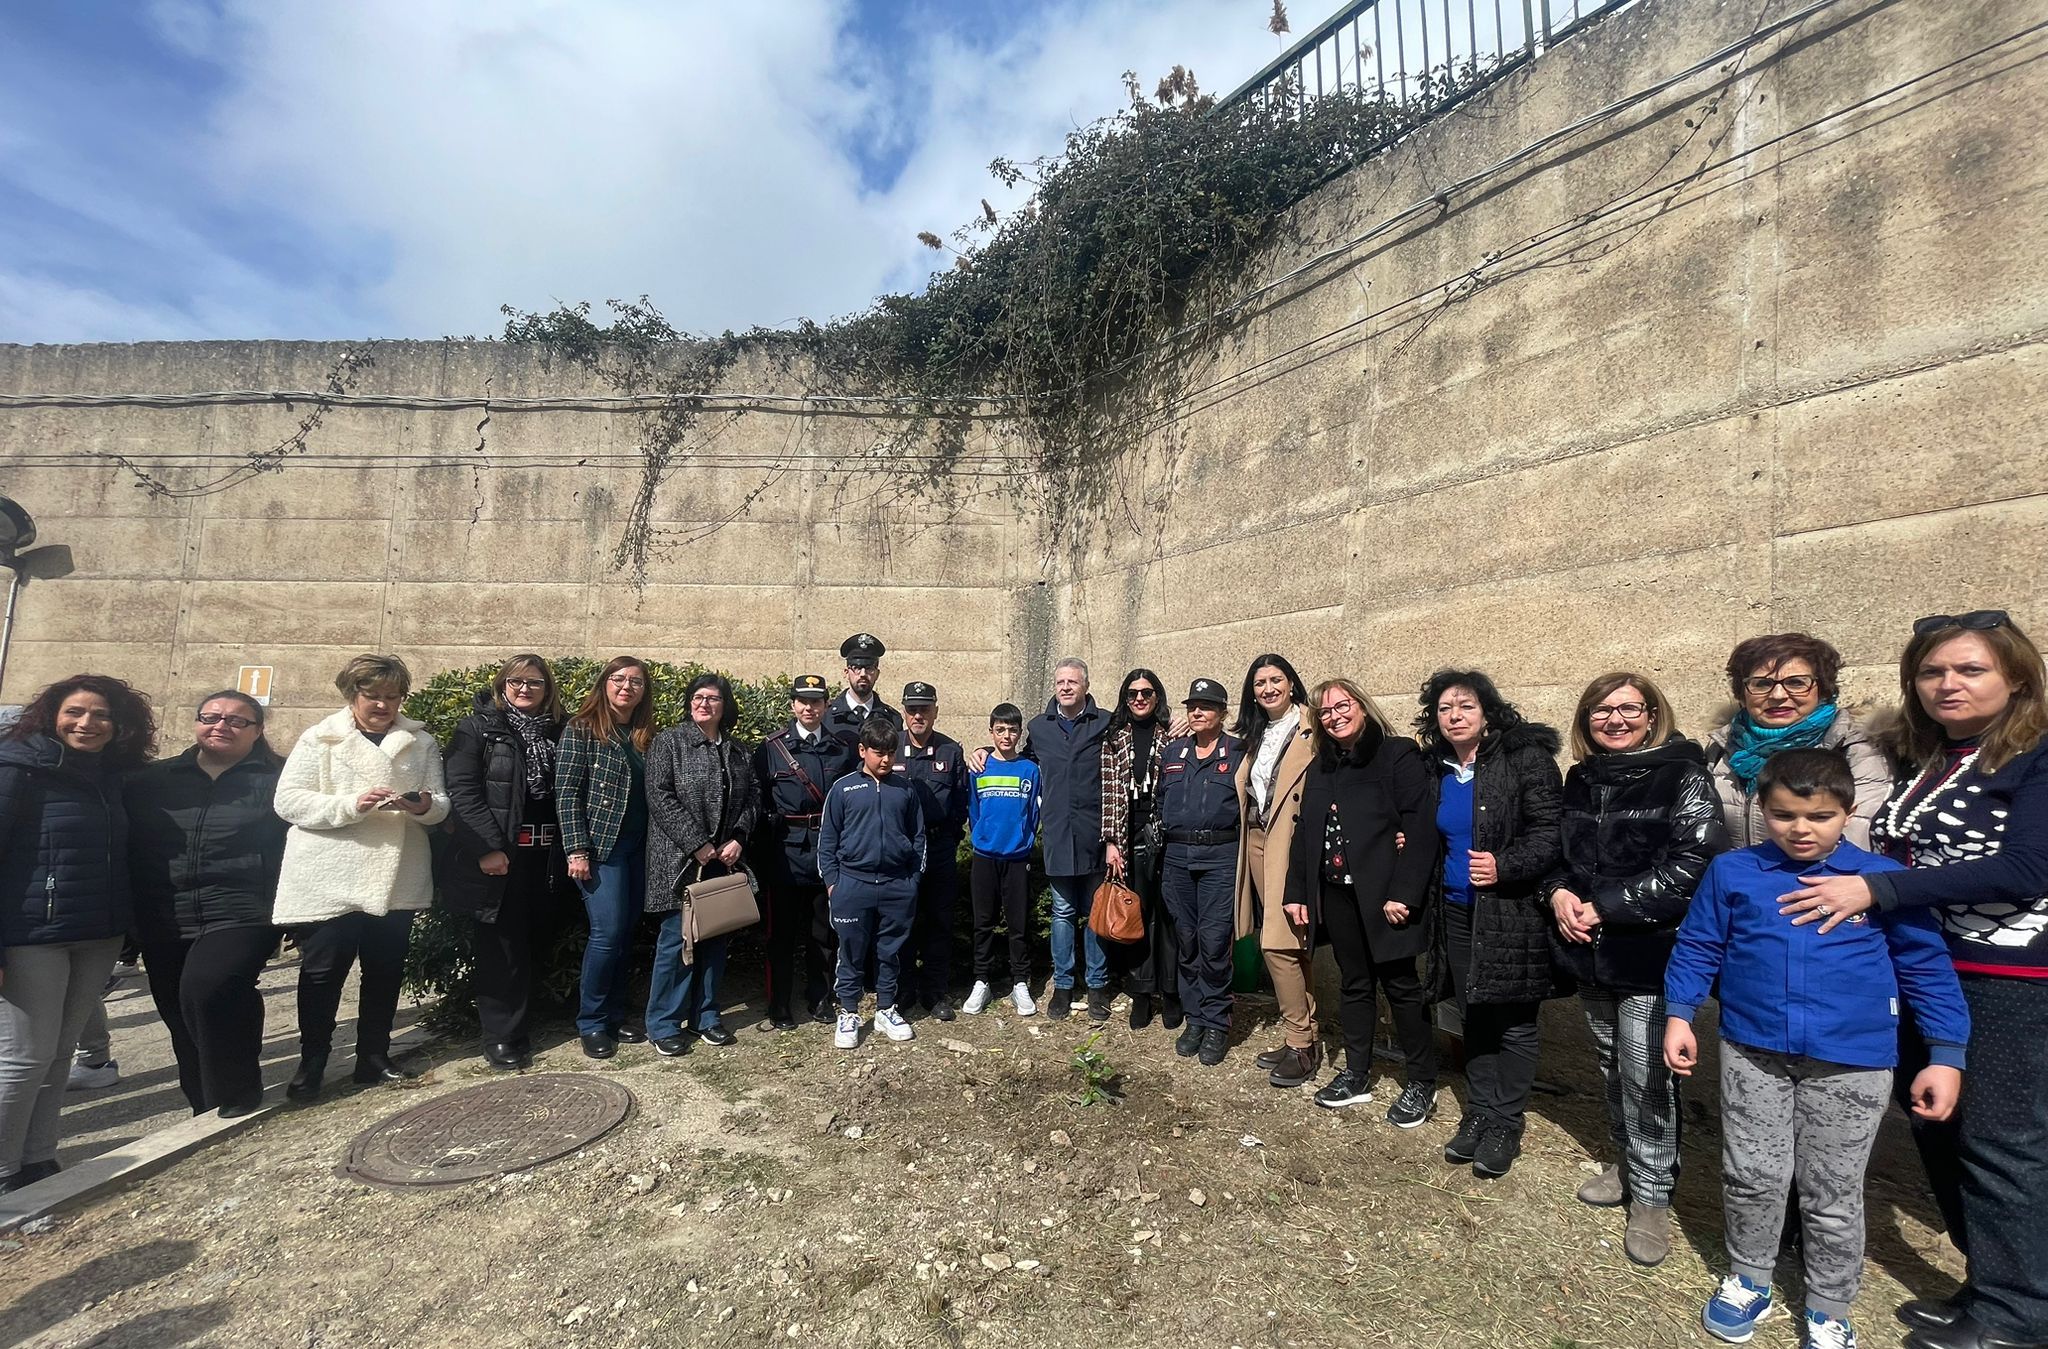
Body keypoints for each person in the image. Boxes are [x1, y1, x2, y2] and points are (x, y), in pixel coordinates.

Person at [1779, 610, 2048, 1349]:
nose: (1947, 683)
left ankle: (2021, 1315)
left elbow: (2030, 867)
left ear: (2016, 677)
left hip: (2005, 975)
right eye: (1932, 671)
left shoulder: (2036, 755)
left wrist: (1879, 890)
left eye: (1970, 669)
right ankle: (1993, 1282)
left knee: (1999, 1141)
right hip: (1923, 966)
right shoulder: (1938, 757)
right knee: (1937, 1125)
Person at [1666, 747, 1968, 1349]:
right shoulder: (1733, 872)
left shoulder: (1881, 879)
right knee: (1752, 1172)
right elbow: (1699, 945)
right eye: (1783, 815)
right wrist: (1680, 1014)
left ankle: (1829, 1304)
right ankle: (1749, 1275)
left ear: (1848, 812)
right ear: (1761, 809)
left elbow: (1926, 968)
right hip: (1754, 1050)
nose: (1801, 829)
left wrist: (1945, 1054)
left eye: (1820, 816)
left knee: (1831, 1187)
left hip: (1853, 1061)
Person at [1544, 670, 1727, 1267]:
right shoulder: (1581, 779)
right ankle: (1627, 1164)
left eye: (1628, 709)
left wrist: (1606, 906)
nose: (1615, 720)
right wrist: (1559, 895)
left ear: (1652, 715)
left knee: (1646, 1072)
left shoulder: (1682, 774)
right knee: (1611, 1064)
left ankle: (1651, 1195)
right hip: (1588, 947)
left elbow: (1694, 861)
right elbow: (1560, 856)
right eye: (1601, 711)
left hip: (1651, 951)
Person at [0, 674, 155, 1192]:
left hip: (98, 934)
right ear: (52, 715)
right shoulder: (18, 767)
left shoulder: (116, 776)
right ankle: (3, 1171)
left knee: (60, 1054)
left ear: (119, 725)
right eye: (75, 712)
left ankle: (39, 1160)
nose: (87, 723)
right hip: (31, 934)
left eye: (101, 715)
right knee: (25, 1057)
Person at [273, 655, 448, 1101]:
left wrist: (423, 806)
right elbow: (288, 801)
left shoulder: (420, 741)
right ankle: (312, 1061)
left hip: (395, 872)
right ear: (353, 695)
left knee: (385, 971)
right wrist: (352, 804)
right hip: (331, 872)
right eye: (374, 696)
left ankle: (374, 1056)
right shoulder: (320, 737)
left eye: (393, 696)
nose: (384, 705)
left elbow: (441, 803)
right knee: (322, 973)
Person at [1414, 669, 1563, 1180]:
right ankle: (1478, 1111)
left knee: (1514, 1023)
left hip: (1510, 911)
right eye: (1444, 709)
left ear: (1487, 712)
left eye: (1466, 707)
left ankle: (1505, 1122)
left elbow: (1551, 833)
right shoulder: (1437, 767)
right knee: (1473, 1012)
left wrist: (1506, 864)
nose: (1454, 717)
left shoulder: (1524, 759)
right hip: (1455, 910)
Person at [1286, 677, 1441, 1125]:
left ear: (1362, 706)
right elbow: (1304, 833)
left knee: (1401, 986)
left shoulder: (1396, 754)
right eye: (1325, 711)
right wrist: (1296, 892)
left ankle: (1422, 1081)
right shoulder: (1321, 767)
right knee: (1354, 984)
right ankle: (1357, 1073)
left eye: (1342, 706)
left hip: (1386, 896)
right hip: (1338, 892)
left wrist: (1404, 893)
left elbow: (1420, 826)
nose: (1334, 716)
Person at [125, 690, 286, 1117]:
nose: (221, 726)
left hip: (243, 907)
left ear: (257, 731)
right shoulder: (152, 781)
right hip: (164, 912)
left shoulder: (280, 779)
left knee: (210, 986)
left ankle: (236, 1091)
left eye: (237, 720)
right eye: (211, 717)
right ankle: (202, 1104)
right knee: (179, 1011)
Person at [440, 655, 565, 1070]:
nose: (525, 689)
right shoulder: (479, 728)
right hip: (504, 857)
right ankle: (501, 1035)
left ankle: (526, 1020)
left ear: (548, 689)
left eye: (535, 682)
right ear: (502, 685)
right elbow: (462, 791)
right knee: (501, 948)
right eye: (516, 681)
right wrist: (489, 848)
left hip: (548, 857)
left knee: (539, 939)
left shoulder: (560, 731)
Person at [644, 673, 759, 1056]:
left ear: (725, 706)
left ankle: (705, 1016)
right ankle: (663, 1023)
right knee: (677, 940)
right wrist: (698, 843)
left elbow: (753, 796)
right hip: (680, 861)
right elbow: (659, 795)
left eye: (712, 698)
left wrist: (738, 837)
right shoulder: (669, 742)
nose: (703, 703)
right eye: (697, 697)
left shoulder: (738, 750)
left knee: (715, 938)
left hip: (723, 861)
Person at [555, 655, 657, 1061]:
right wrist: (576, 849)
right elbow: (567, 792)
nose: (626, 687)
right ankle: (592, 1022)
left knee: (626, 932)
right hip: (601, 850)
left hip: (638, 847)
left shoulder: (645, 734)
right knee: (607, 932)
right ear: (604, 684)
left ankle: (616, 1014)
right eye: (619, 679)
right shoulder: (582, 729)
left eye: (635, 682)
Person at [1706, 632, 1892, 846]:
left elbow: (1857, 835)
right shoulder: (1723, 746)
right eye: (1762, 684)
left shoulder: (1854, 747)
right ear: (1742, 693)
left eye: (1796, 683)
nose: (1777, 695)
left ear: (1823, 690)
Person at [1231, 654, 1323, 1088]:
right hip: (1256, 839)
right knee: (1293, 943)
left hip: (1292, 842)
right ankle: (1306, 1036)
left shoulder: (1312, 724)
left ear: (1291, 683)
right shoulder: (1255, 733)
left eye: (1276, 680)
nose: (1268, 688)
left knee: (1277, 944)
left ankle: (1300, 1043)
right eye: (1260, 682)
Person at [753, 674, 857, 1030]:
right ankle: (779, 1003)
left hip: (826, 852)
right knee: (780, 934)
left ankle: (821, 997)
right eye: (803, 701)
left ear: (826, 705)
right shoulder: (771, 748)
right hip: (784, 852)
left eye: (816, 701)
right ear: (793, 705)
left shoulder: (840, 748)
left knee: (823, 932)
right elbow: (759, 801)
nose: (809, 708)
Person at [819, 718, 926, 1048]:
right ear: (862, 750)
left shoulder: (905, 789)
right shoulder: (843, 789)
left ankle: (885, 1009)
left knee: (890, 951)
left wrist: (912, 881)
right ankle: (849, 1011)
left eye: (891, 753)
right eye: (879, 752)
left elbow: (918, 837)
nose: (886, 760)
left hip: (896, 885)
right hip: (852, 884)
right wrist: (834, 884)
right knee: (851, 952)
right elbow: (827, 841)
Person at [1156, 679, 1244, 1066]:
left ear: (1222, 713)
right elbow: (1161, 798)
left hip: (1220, 857)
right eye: (1192, 706)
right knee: (1187, 941)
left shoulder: (1239, 751)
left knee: (1214, 942)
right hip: (1177, 856)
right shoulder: (1173, 752)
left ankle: (1216, 1022)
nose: (1197, 712)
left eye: (1206, 706)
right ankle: (1195, 1018)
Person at [1099, 668, 1182, 1032]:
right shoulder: (1114, 738)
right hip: (1130, 838)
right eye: (1132, 693)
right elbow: (1108, 792)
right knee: (1138, 916)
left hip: (1167, 837)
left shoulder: (1174, 734)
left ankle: (1172, 992)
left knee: (1169, 916)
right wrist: (1111, 843)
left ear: (1156, 696)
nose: (1139, 699)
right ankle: (1142, 993)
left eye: (1146, 693)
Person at [1030, 658, 1111, 1021]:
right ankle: (1063, 985)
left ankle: (1097, 985)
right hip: (1059, 835)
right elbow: (1017, 758)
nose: (1065, 687)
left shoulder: (1105, 722)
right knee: (1062, 913)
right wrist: (984, 751)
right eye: (1060, 681)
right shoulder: (1038, 728)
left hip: (1095, 834)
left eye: (1072, 682)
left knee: (1095, 913)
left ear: (1085, 686)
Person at [894, 682, 969, 1021]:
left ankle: (934, 992)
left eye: (924, 708)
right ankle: (903, 990)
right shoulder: (891, 748)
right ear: (904, 712)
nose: (918, 715)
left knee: (939, 921)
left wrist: (949, 838)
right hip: (901, 851)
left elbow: (961, 801)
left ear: (935, 711)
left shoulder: (950, 751)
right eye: (912, 709)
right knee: (902, 920)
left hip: (939, 848)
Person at [964, 703, 1040, 1016]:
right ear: (991, 732)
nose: (1006, 736)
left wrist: (1023, 840)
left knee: (1018, 925)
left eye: (1012, 730)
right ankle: (981, 980)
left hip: (1017, 858)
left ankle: (1020, 982)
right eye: (1000, 730)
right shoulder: (979, 768)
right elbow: (973, 810)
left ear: (1020, 733)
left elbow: (1033, 814)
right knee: (983, 923)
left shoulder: (1030, 770)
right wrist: (983, 837)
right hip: (984, 856)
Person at [826, 634, 900, 748]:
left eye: (869, 668)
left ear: (877, 674)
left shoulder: (892, 719)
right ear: (846, 672)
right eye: (857, 668)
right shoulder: (827, 716)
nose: (863, 674)